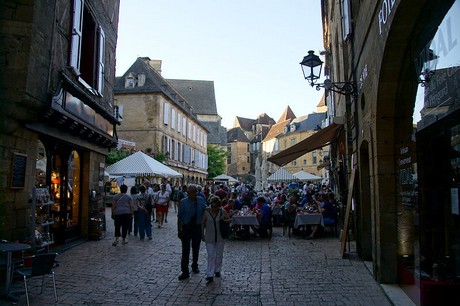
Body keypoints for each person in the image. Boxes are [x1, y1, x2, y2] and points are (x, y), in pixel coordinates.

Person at [177, 184, 207, 280]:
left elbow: (206, 211)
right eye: (190, 192)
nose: (192, 194)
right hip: (186, 227)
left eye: (194, 192)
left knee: (196, 248)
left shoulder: (201, 200)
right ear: (188, 193)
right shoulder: (183, 202)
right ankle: (184, 271)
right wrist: (179, 230)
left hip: (197, 227)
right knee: (185, 250)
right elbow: (180, 217)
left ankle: (195, 265)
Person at [201, 196, 231, 283]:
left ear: (218, 206)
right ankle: (210, 274)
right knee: (211, 255)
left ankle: (217, 270)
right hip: (209, 236)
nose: (213, 208)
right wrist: (202, 234)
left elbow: (229, 219)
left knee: (219, 254)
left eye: (215, 206)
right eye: (212, 206)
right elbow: (202, 224)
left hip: (220, 236)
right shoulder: (207, 212)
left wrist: (224, 220)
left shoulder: (222, 211)